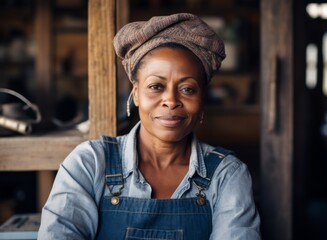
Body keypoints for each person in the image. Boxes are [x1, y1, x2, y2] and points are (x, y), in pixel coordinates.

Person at [38, 13, 261, 239]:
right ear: (136, 94)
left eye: (187, 89)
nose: (171, 100)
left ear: (202, 99)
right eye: (156, 86)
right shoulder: (90, 163)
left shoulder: (227, 175)